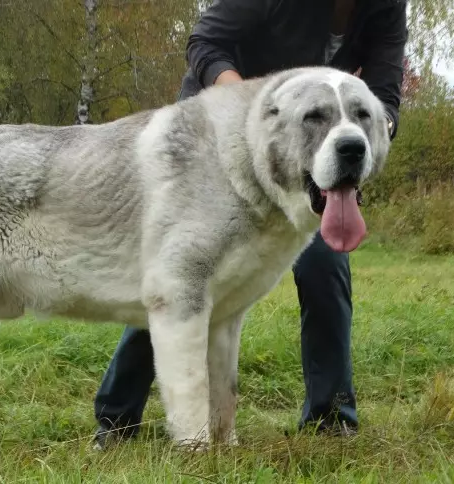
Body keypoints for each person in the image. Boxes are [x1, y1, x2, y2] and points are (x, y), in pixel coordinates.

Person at [93, 0, 407, 449]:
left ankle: (331, 417)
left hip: (311, 147)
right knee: (184, 273)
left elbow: (385, 93)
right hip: (215, 139)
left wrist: (368, 133)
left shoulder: (387, 8)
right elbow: (205, 42)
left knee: (325, 265)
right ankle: (117, 421)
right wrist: (248, 111)